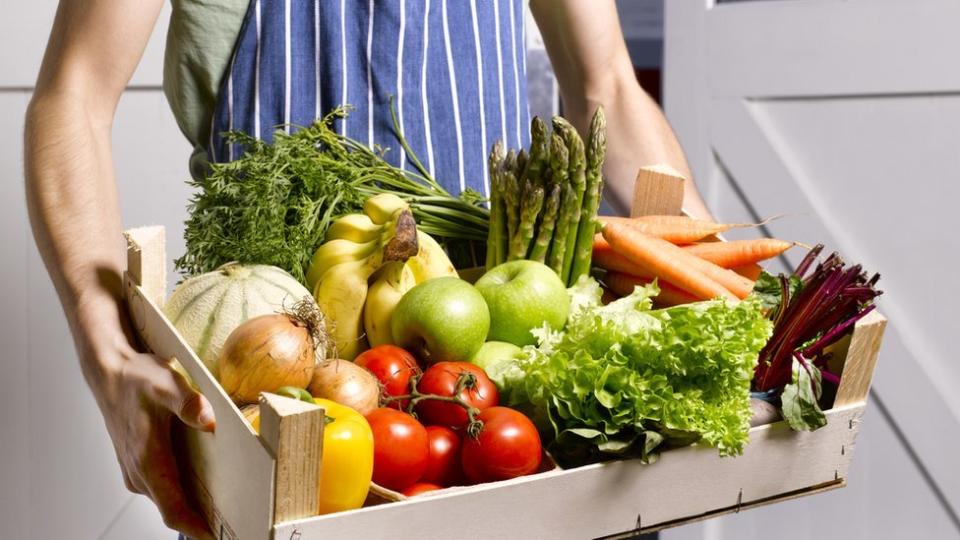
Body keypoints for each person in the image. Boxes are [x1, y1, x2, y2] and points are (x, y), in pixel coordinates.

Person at [25, 1, 708, 538]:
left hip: (480, 410)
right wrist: (105, 353)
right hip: (276, 412)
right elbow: (74, 98)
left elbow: (608, 84)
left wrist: (711, 277)